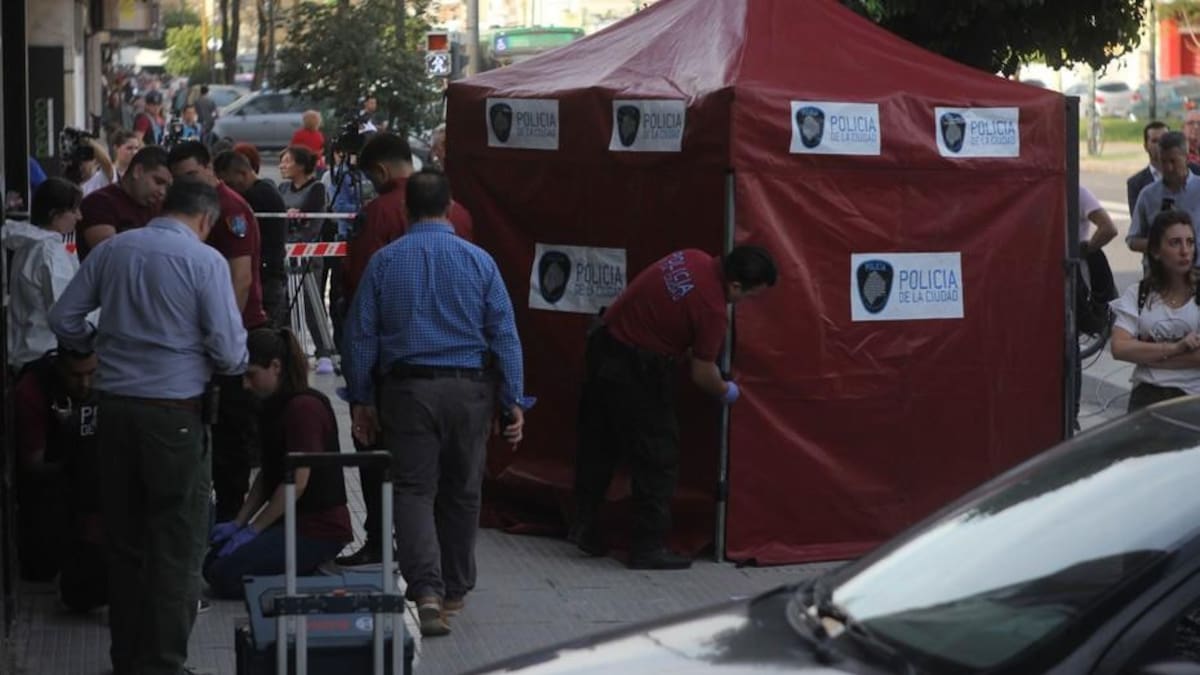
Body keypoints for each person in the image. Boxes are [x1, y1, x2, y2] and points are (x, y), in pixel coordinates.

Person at [48, 177, 248, 675]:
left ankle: (127, 659)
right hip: (174, 416)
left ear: (164, 205)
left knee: (126, 542)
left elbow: (63, 316)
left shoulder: (115, 250)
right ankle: (161, 665)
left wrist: (98, 345)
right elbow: (229, 352)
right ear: (206, 220)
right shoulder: (205, 262)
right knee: (176, 548)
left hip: (113, 411)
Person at [342, 169, 526, 637]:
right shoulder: (480, 262)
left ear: (405, 211)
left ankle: (424, 589)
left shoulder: (384, 262)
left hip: (408, 393)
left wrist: (361, 398)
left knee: (413, 489)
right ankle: (455, 590)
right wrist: (513, 400)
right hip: (470, 392)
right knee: (463, 491)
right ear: (448, 209)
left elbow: (360, 335)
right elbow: (504, 334)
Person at [571, 246, 777, 570]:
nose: (745, 303)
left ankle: (584, 525)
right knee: (657, 458)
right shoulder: (712, 309)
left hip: (604, 346)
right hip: (638, 371)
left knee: (600, 446)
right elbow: (702, 373)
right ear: (736, 285)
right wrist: (726, 390)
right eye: (751, 296)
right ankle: (647, 547)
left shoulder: (691, 257)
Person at [335, 134, 473, 568]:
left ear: (378, 172)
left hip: (392, 366)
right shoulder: (463, 214)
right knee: (451, 478)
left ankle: (381, 540)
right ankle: (443, 561)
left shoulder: (377, 213)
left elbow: (360, 296)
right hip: (460, 367)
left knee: (380, 458)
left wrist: (359, 388)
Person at [202, 328, 353, 598]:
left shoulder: (303, 409)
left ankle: (312, 576)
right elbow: (269, 475)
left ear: (275, 367)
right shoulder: (273, 407)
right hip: (292, 521)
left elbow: (296, 484)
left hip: (318, 528)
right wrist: (239, 523)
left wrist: (254, 529)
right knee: (212, 564)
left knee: (225, 575)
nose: (246, 385)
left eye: (251, 375)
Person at [168, 141, 269, 526]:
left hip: (233, 334)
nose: (186, 184)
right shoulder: (188, 210)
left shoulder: (229, 211)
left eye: (192, 175)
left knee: (229, 433)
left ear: (211, 169)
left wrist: (220, 337)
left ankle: (229, 514)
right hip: (202, 338)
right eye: (180, 179)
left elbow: (239, 282)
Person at [12, 346, 105, 611]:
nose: (85, 383)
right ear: (59, 368)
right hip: (51, 491)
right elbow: (34, 465)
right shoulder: (33, 391)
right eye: (76, 375)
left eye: (92, 373)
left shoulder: (111, 384)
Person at [1111, 209, 1200, 412]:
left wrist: (1147, 356)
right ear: (1156, 251)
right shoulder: (1139, 294)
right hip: (1147, 397)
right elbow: (1120, 347)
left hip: (1192, 399)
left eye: (1190, 242)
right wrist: (1175, 348)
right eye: (1175, 243)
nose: (1185, 251)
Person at [3, 178, 83, 370]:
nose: (79, 216)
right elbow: (64, 310)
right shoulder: (51, 253)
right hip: (48, 357)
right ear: (55, 215)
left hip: (27, 353)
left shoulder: (28, 245)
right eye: (73, 210)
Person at [214, 150, 289, 329]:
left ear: (243, 173)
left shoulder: (253, 198)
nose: (229, 189)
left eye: (230, 183)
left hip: (266, 279)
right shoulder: (265, 190)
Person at [278, 144, 336, 373]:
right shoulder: (282, 188)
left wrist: (296, 222)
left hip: (308, 255)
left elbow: (312, 224)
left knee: (311, 303)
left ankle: (324, 353)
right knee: (284, 303)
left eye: (288, 161)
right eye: (281, 161)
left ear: (301, 165)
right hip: (285, 252)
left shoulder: (317, 189)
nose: (283, 165)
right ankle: (288, 350)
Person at [76, 145, 172, 261]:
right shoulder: (98, 204)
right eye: (158, 182)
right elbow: (111, 257)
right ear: (138, 171)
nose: (162, 192)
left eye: (167, 187)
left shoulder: (159, 208)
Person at [1129, 132, 1200, 256]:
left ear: (1187, 158)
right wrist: (1159, 245)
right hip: (1159, 272)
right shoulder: (1148, 195)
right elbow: (1133, 240)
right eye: (1163, 161)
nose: (1167, 168)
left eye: (1173, 161)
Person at [1128, 121, 1170, 217]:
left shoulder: (1192, 174)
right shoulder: (1136, 183)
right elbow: (1138, 223)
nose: (1160, 145)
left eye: (1164, 139)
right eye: (1155, 141)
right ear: (1146, 146)